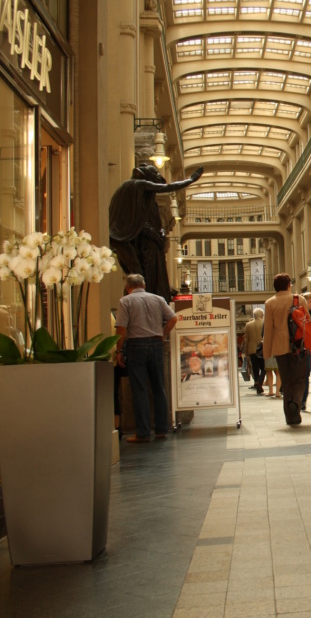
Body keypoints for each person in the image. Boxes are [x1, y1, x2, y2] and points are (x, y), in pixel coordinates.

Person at [108, 164, 203, 301]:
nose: (157, 177)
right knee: (137, 275)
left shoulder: (139, 194)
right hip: (121, 237)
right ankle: (134, 305)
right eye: (155, 173)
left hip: (123, 237)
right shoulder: (137, 184)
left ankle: (134, 304)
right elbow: (166, 187)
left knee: (136, 275)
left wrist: (160, 232)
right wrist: (191, 180)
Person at [115, 273, 179, 443]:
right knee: (159, 387)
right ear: (143, 285)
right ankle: (161, 429)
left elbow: (121, 329)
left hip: (136, 345)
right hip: (156, 345)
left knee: (140, 390)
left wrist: (118, 350)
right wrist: (162, 333)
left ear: (128, 287)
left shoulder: (125, 301)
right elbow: (173, 318)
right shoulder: (158, 299)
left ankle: (143, 432)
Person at [263, 274, 311, 426]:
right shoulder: (299, 299)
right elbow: (308, 323)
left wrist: (266, 352)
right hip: (299, 347)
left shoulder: (270, 303)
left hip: (280, 349)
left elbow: (268, 329)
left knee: (287, 381)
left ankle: (290, 417)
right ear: (289, 285)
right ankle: (295, 402)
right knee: (300, 379)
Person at [242, 308, 265, 394]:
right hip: (262, 349)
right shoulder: (264, 323)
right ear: (261, 315)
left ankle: (256, 383)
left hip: (251, 349)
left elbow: (246, 339)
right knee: (264, 368)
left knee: (255, 368)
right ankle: (259, 382)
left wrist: (246, 351)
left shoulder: (248, 325)